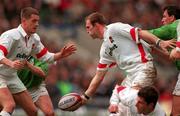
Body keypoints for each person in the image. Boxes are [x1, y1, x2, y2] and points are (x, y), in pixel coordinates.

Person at [78, 12, 174, 107]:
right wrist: (85, 97)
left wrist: (160, 42)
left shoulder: (114, 29)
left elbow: (140, 33)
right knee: (119, 105)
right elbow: (99, 76)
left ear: (97, 25)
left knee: (133, 99)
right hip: (130, 77)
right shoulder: (104, 50)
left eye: (88, 27)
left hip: (143, 68)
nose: (87, 31)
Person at [0, 7, 76, 116]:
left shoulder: (34, 39)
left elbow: (46, 57)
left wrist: (60, 55)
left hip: (11, 77)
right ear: (24, 21)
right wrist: (11, 63)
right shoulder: (11, 36)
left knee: (33, 111)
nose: (37, 24)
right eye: (34, 21)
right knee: (9, 105)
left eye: (38, 21)